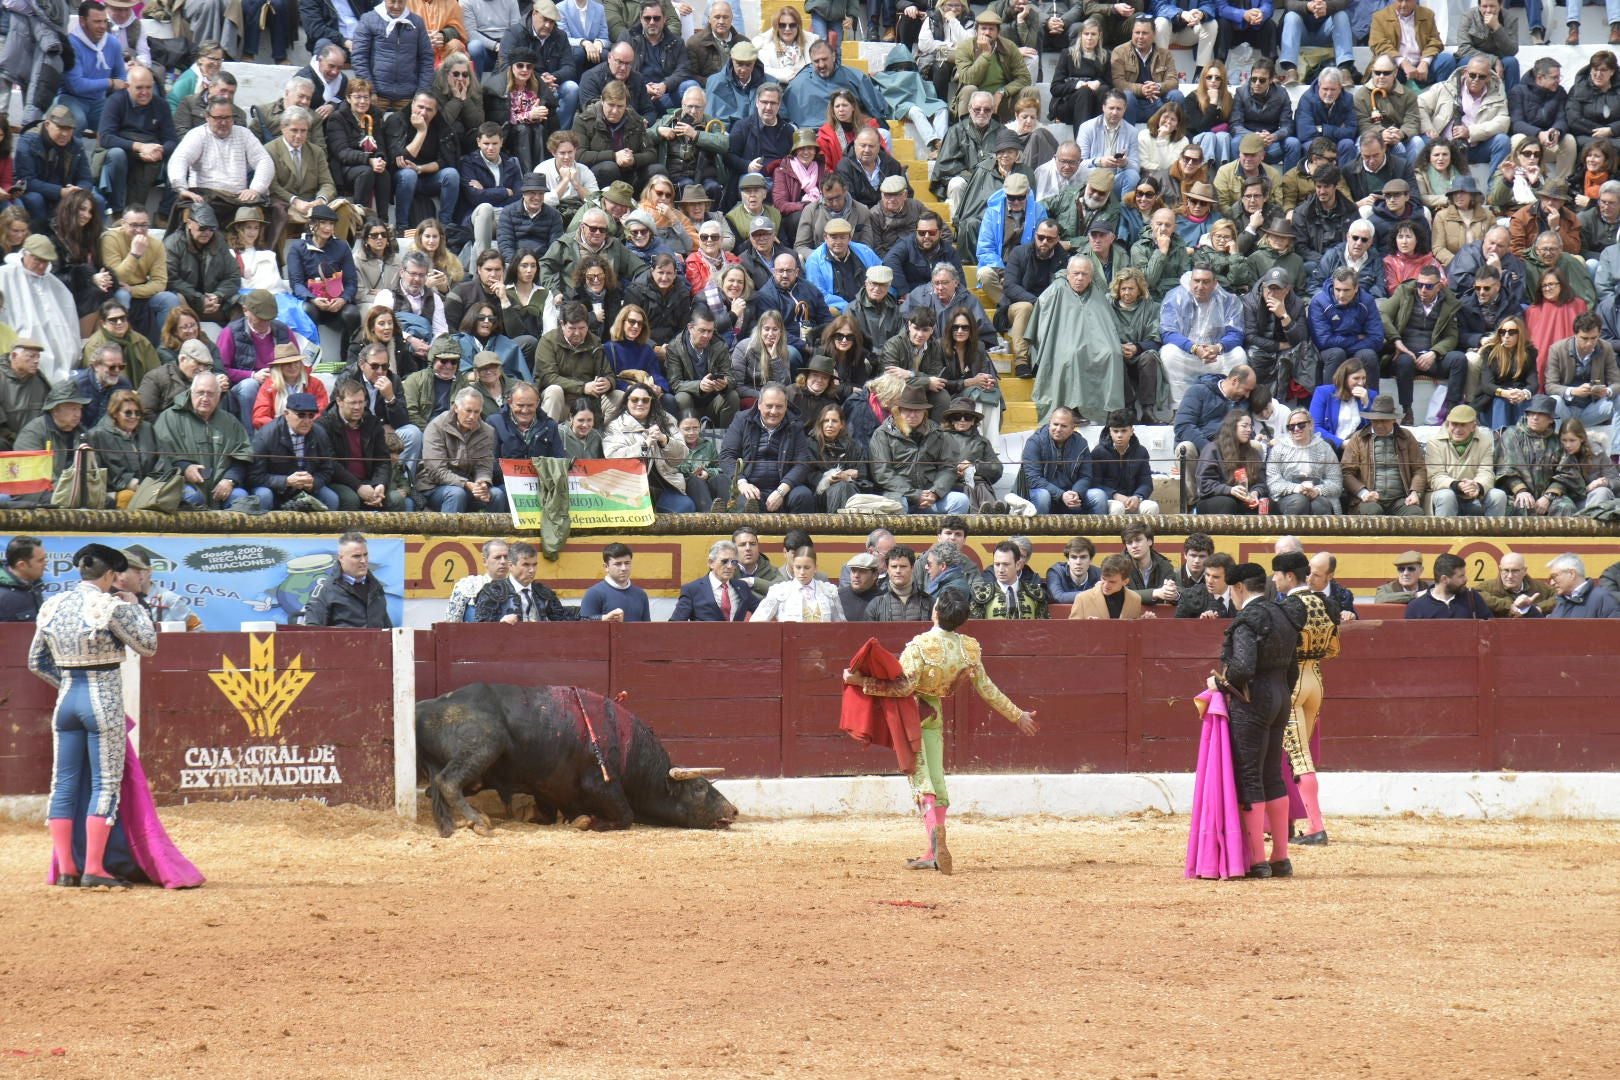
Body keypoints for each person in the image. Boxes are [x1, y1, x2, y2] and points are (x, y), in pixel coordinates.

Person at [844, 588, 1037, 874]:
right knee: (937, 778)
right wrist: (1017, 714)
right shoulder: (968, 648)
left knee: (920, 779)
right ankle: (931, 849)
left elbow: (904, 688)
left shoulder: (920, 646)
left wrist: (862, 682)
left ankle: (935, 843)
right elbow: (987, 689)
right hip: (934, 712)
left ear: (936, 611)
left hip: (911, 713)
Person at [29, 543, 157, 889]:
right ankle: (95, 869)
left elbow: (35, 661)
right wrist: (136, 609)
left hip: (67, 700)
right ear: (111, 575)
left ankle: (67, 868)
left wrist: (69, 683)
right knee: (105, 784)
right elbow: (148, 645)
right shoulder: (109, 606)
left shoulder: (52, 605)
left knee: (64, 784)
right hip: (103, 700)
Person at [1207, 559, 1303, 878]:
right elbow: (1292, 666)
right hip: (1280, 695)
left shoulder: (1248, 618)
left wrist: (1221, 682)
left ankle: (1257, 860)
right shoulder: (1284, 614)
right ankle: (1281, 857)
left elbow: (1243, 667)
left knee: (1249, 773)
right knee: (1272, 773)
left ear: (1238, 588)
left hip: (1253, 700)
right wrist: (1280, 694)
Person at [471, 541, 579, 622]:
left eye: (534, 564)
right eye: (526, 565)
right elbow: (480, 629)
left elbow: (564, 621)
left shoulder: (543, 592)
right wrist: (500, 623)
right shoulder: (492, 591)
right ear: (511, 565)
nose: (532, 570)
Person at [302, 532, 391, 627]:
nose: (363, 561)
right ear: (341, 558)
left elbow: (388, 630)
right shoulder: (325, 591)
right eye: (356, 556)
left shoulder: (376, 588)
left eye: (365, 555)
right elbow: (313, 632)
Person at [670, 539, 757, 621]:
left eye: (734, 562)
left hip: (737, 636)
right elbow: (675, 625)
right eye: (724, 561)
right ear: (711, 563)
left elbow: (762, 609)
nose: (730, 566)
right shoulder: (692, 590)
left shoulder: (742, 587)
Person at [754, 546, 844, 622]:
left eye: (807, 567)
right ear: (793, 567)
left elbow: (841, 626)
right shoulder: (780, 591)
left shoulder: (828, 591)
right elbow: (757, 623)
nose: (802, 572)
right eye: (798, 567)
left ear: (815, 568)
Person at [970, 540, 1049, 620]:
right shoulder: (980, 595)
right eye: (997, 564)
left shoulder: (1036, 594)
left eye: (1006, 564)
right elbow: (975, 629)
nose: (1000, 570)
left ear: (1017, 565)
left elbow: (1044, 628)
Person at [578, 543, 651, 622]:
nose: (624, 568)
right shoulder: (594, 593)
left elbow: (647, 629)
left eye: (627, 563)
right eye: (618, 564)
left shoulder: (641, 594)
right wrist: (604, 618)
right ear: (606, 567)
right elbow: (584, 623)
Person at [1405, 553, 1492, 619]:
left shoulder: (1472, 598)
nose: (1465, 579)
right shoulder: (1416, 607)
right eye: (1461, 576)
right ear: (1444, 579)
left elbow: (1490, 630)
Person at [1479, 551, 1557, 618]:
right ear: (1500, 569)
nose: (1510, 576)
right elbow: (1474, 594)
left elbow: (1560, 596)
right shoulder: (1489, 587)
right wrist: (1508, 606)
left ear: (1524, 571)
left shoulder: (1539, 587)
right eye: (1506, 570)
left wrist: (1539, 608)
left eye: (1515, 571)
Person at [1546, 554, 1620, 619]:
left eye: (1554, 576)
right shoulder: (1561, 602)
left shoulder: (1603, 598)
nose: (1552, 583)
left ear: (1572, 574)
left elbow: (1614, 632)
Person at [0, 536, 48, 622]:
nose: (45, 563)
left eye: (45, 558)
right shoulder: (3, 596)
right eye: (40, 560)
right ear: (22, 565)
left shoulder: (34, 585)